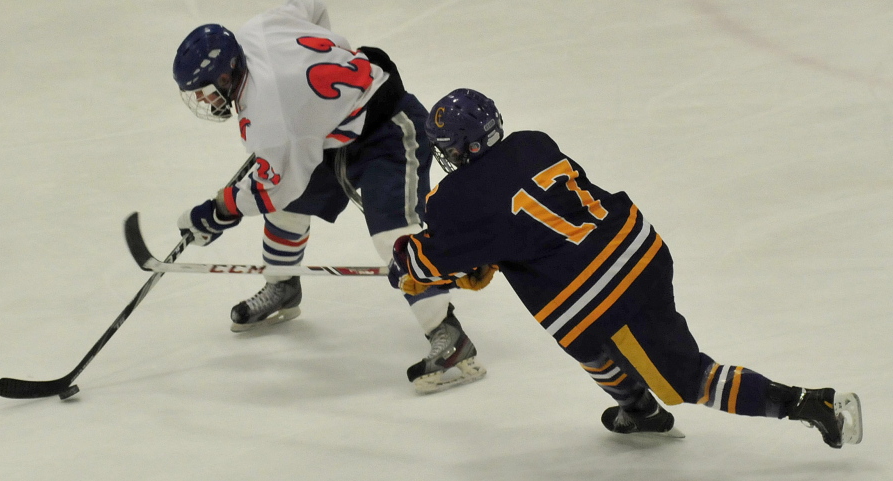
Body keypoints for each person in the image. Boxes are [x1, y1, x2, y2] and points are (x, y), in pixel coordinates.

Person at [387, 88, 864, 447]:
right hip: (643, 250)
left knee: (685, 379)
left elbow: (428, 259)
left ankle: (809, 402)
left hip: (602, 295)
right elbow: (524, 218)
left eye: (448, 148)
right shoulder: (533, 142)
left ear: (464, 147)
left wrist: (406, 270)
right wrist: (484, 254)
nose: (447, 158)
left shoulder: (455, 199)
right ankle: (639, 411)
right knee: (585, 342)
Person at [170, 0, 485, 393]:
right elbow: (313, 7)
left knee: (393, 239)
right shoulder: (259, 27)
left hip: (388, 129)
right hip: (336, 132)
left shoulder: (272, 114)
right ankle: (284, 287)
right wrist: (325, 91)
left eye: (205, 92)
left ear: (228, 71)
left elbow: (273, 187)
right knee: (288, 210)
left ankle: (449, 335)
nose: (204, 101)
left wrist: (218, 210)